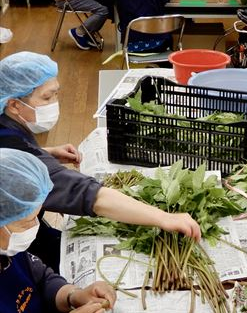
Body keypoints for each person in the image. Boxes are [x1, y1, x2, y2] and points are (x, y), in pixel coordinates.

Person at [0, 51, 201, 272]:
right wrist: (163, 218)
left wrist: (46, 153)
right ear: (15, 105)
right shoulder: (9, 144)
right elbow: (83, 193)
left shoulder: (7, 125)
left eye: (57, 94)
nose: (54, 103)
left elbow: (15, 156)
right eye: (47, 97)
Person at [0, 148, 117, 313]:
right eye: (25, 223)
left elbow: (42, 280)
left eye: (36, 217)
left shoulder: (9, 252)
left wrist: (73, 296)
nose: (35, 226)